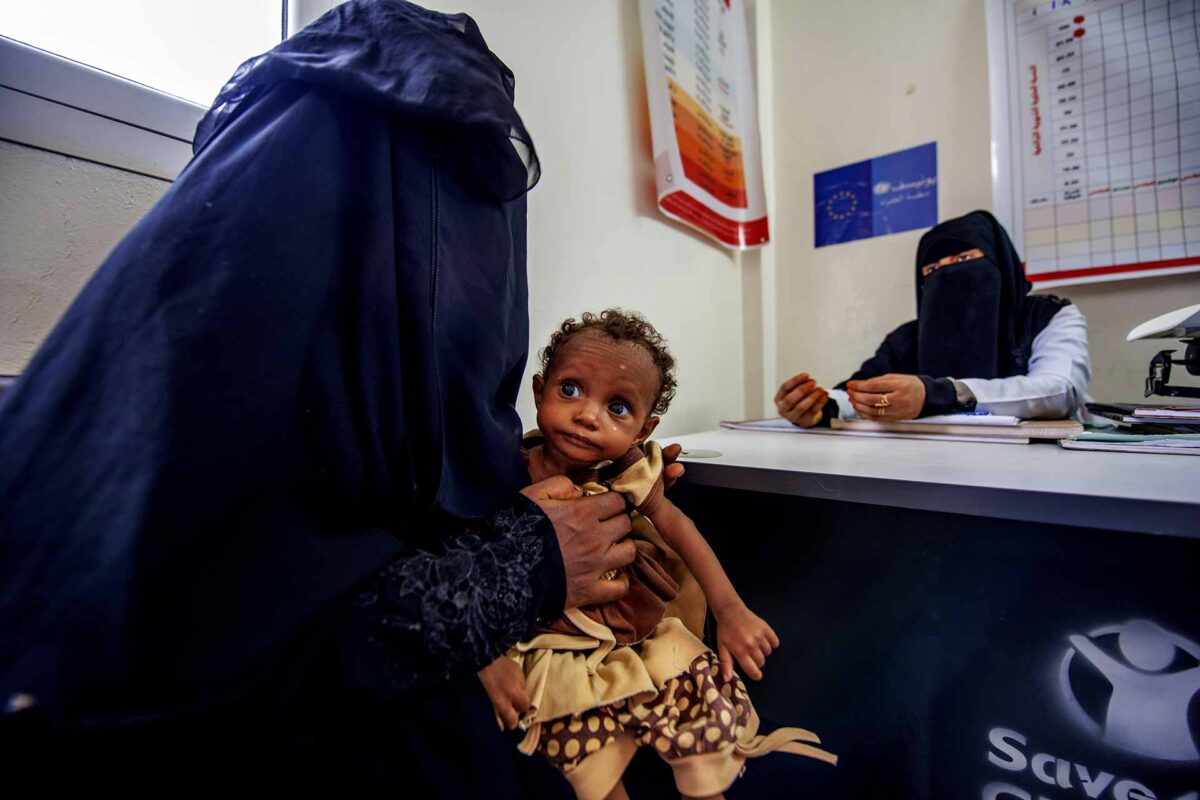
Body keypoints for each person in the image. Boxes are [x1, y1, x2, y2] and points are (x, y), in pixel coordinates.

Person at [0, 3, 679, 796]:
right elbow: (188, 672)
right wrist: (524, 566)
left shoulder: (379, 390)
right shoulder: (202, 395)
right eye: (427, 213)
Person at [479, 310, 836, 800]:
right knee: (583, 759)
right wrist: (486, 652)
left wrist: (729, 610)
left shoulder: (631, 476)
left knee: (693, 693)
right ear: (539, 391)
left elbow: (680, 528)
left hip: (630, 631)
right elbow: (477, 559)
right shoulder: (507, 471)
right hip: (548, 639)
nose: (588, 415)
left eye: (618, 408)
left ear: (645, 429)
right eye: (570, 390)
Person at [775, 210, 1090, 426]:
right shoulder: (908, 339)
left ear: (999, 262)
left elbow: (1059, 391)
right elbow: (862, 391)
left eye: (963, 258)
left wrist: (941, 395)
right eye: (933, 269)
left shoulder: (1046, 316)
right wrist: (819, 406)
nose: (948, 272)